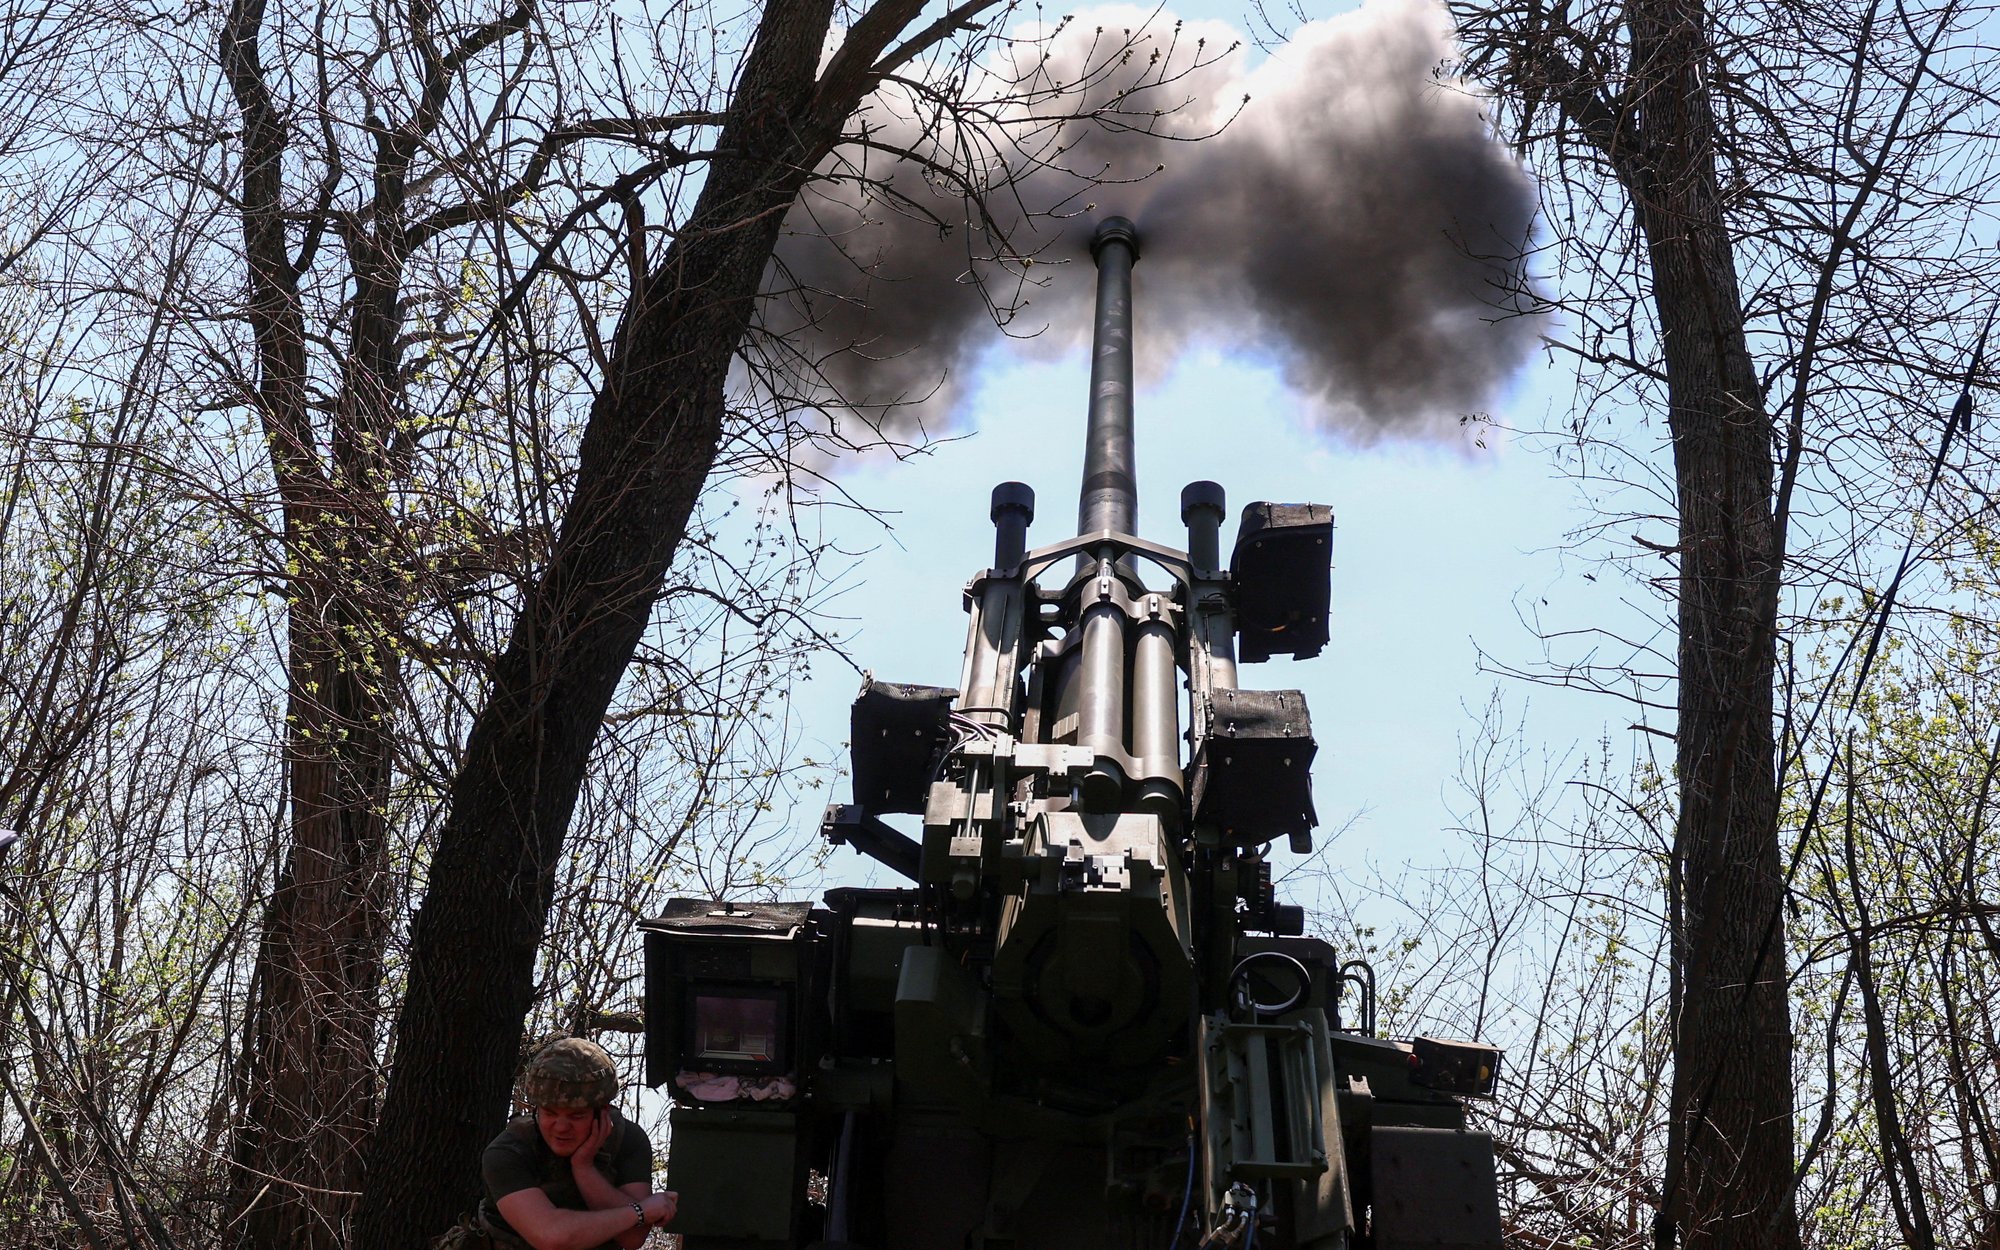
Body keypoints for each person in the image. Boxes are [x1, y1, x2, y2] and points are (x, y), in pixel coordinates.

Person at [473, 1038, 678, 1250]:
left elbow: (632, 1238)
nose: (561, 1127)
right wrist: (639, 1212)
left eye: (576, 1116)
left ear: (602, 1112)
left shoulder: (626, 1140)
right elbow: (551, 1236)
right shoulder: (509, 1151)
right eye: (550, 1113)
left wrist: (584, 1167)